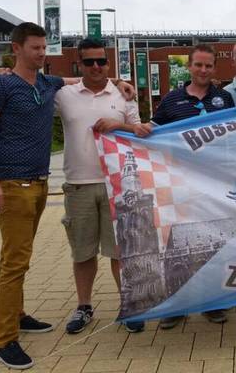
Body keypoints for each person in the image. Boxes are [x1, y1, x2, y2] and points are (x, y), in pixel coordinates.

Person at [0, 22, 62, 370]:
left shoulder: (44, 83)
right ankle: (5, 339)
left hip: (40, 185)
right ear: (17, 48)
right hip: (12, 185)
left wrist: (119, 83)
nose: (42, 53)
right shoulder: (2, 85)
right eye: (35, 48)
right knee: (14, 263)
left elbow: (74, 82)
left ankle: (19, 314)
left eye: (44, 47)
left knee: (20, 257)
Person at [55, 38, 151, 335]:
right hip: (79, 185)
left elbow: (140, 132)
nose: (96, 67)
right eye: (89, 62)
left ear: (108, 62)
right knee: (82, 253)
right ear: (79, 64)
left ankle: (129, 305)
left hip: (118, 184)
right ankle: (84, 306)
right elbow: (36, 82)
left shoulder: (123, 96)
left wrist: (118, 124)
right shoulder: (64, 95)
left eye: (101, 61)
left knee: (120, 252)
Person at [146, 43, 235, 327]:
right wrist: (134, 127)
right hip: (180, 183)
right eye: (198, 65)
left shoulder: (224, 99)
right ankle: (177, 305)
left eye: (208, 66)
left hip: (213, 183)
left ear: (214, 68)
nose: (203, 70)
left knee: (212, 242)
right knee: (177, 245)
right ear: (189, 66)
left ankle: (212, 301)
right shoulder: (172, 100)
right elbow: (153, 132)